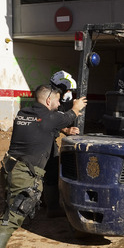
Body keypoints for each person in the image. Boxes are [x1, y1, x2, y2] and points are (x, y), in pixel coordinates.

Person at [0, 84, 87, 248]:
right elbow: (69, 115)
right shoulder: (49, 117)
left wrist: (65, 130)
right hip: (23, 174)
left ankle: (52, 208)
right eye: (56, 99)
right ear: (47, 100)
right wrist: (76, 107)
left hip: (9, 168)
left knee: (11, 208)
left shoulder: (24, 113)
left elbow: (46, 125)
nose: (58, 103)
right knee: (13, 216)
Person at [43, 70, 80, 217]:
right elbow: (54, 120)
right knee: (51, 172)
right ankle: (52, 208)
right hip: (45, 142)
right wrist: (67, 127)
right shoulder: (51, 102)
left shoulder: (47, 97)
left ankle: (44, 201)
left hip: (41, 140)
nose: (70, 93)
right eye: (68, 90)